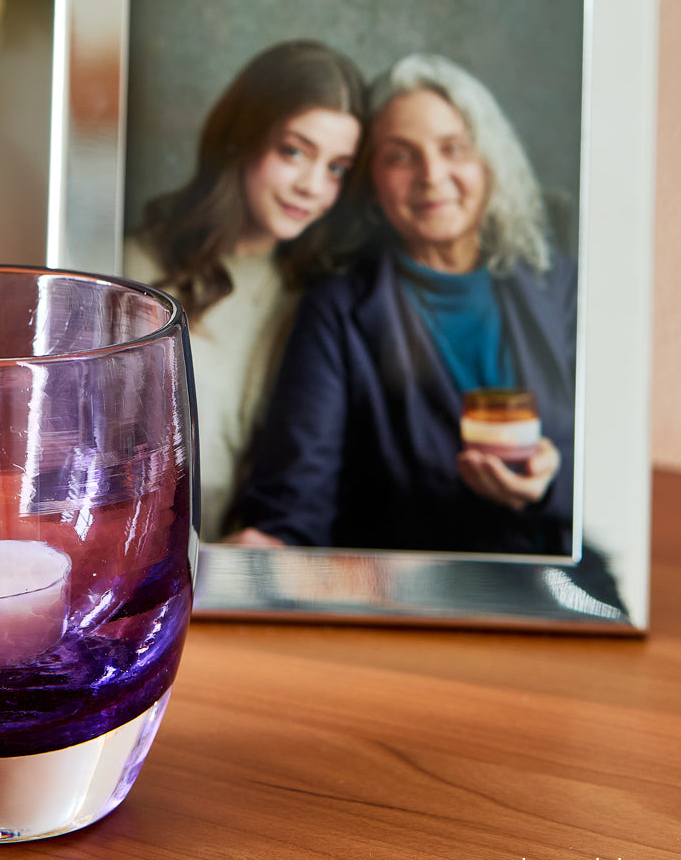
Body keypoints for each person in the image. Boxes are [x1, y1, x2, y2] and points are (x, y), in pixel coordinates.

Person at [234, 53, 576, 555]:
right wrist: (267, 550)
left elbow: (615, 484)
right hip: (407, 599)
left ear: (488, 161)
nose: (431, 175)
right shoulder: (336, 309)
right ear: (371, 182)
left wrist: (548, 485)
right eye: (399, 156)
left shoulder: (562, 284)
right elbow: (295, 504)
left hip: (559, 592)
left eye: (453, 148)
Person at [123, 39, 365, 541]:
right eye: (295, 151)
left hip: (245, 578)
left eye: (336, 168)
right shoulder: (132, 271)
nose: (313, 186)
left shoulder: (315, 298)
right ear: (242, 136)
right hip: (137, 575)